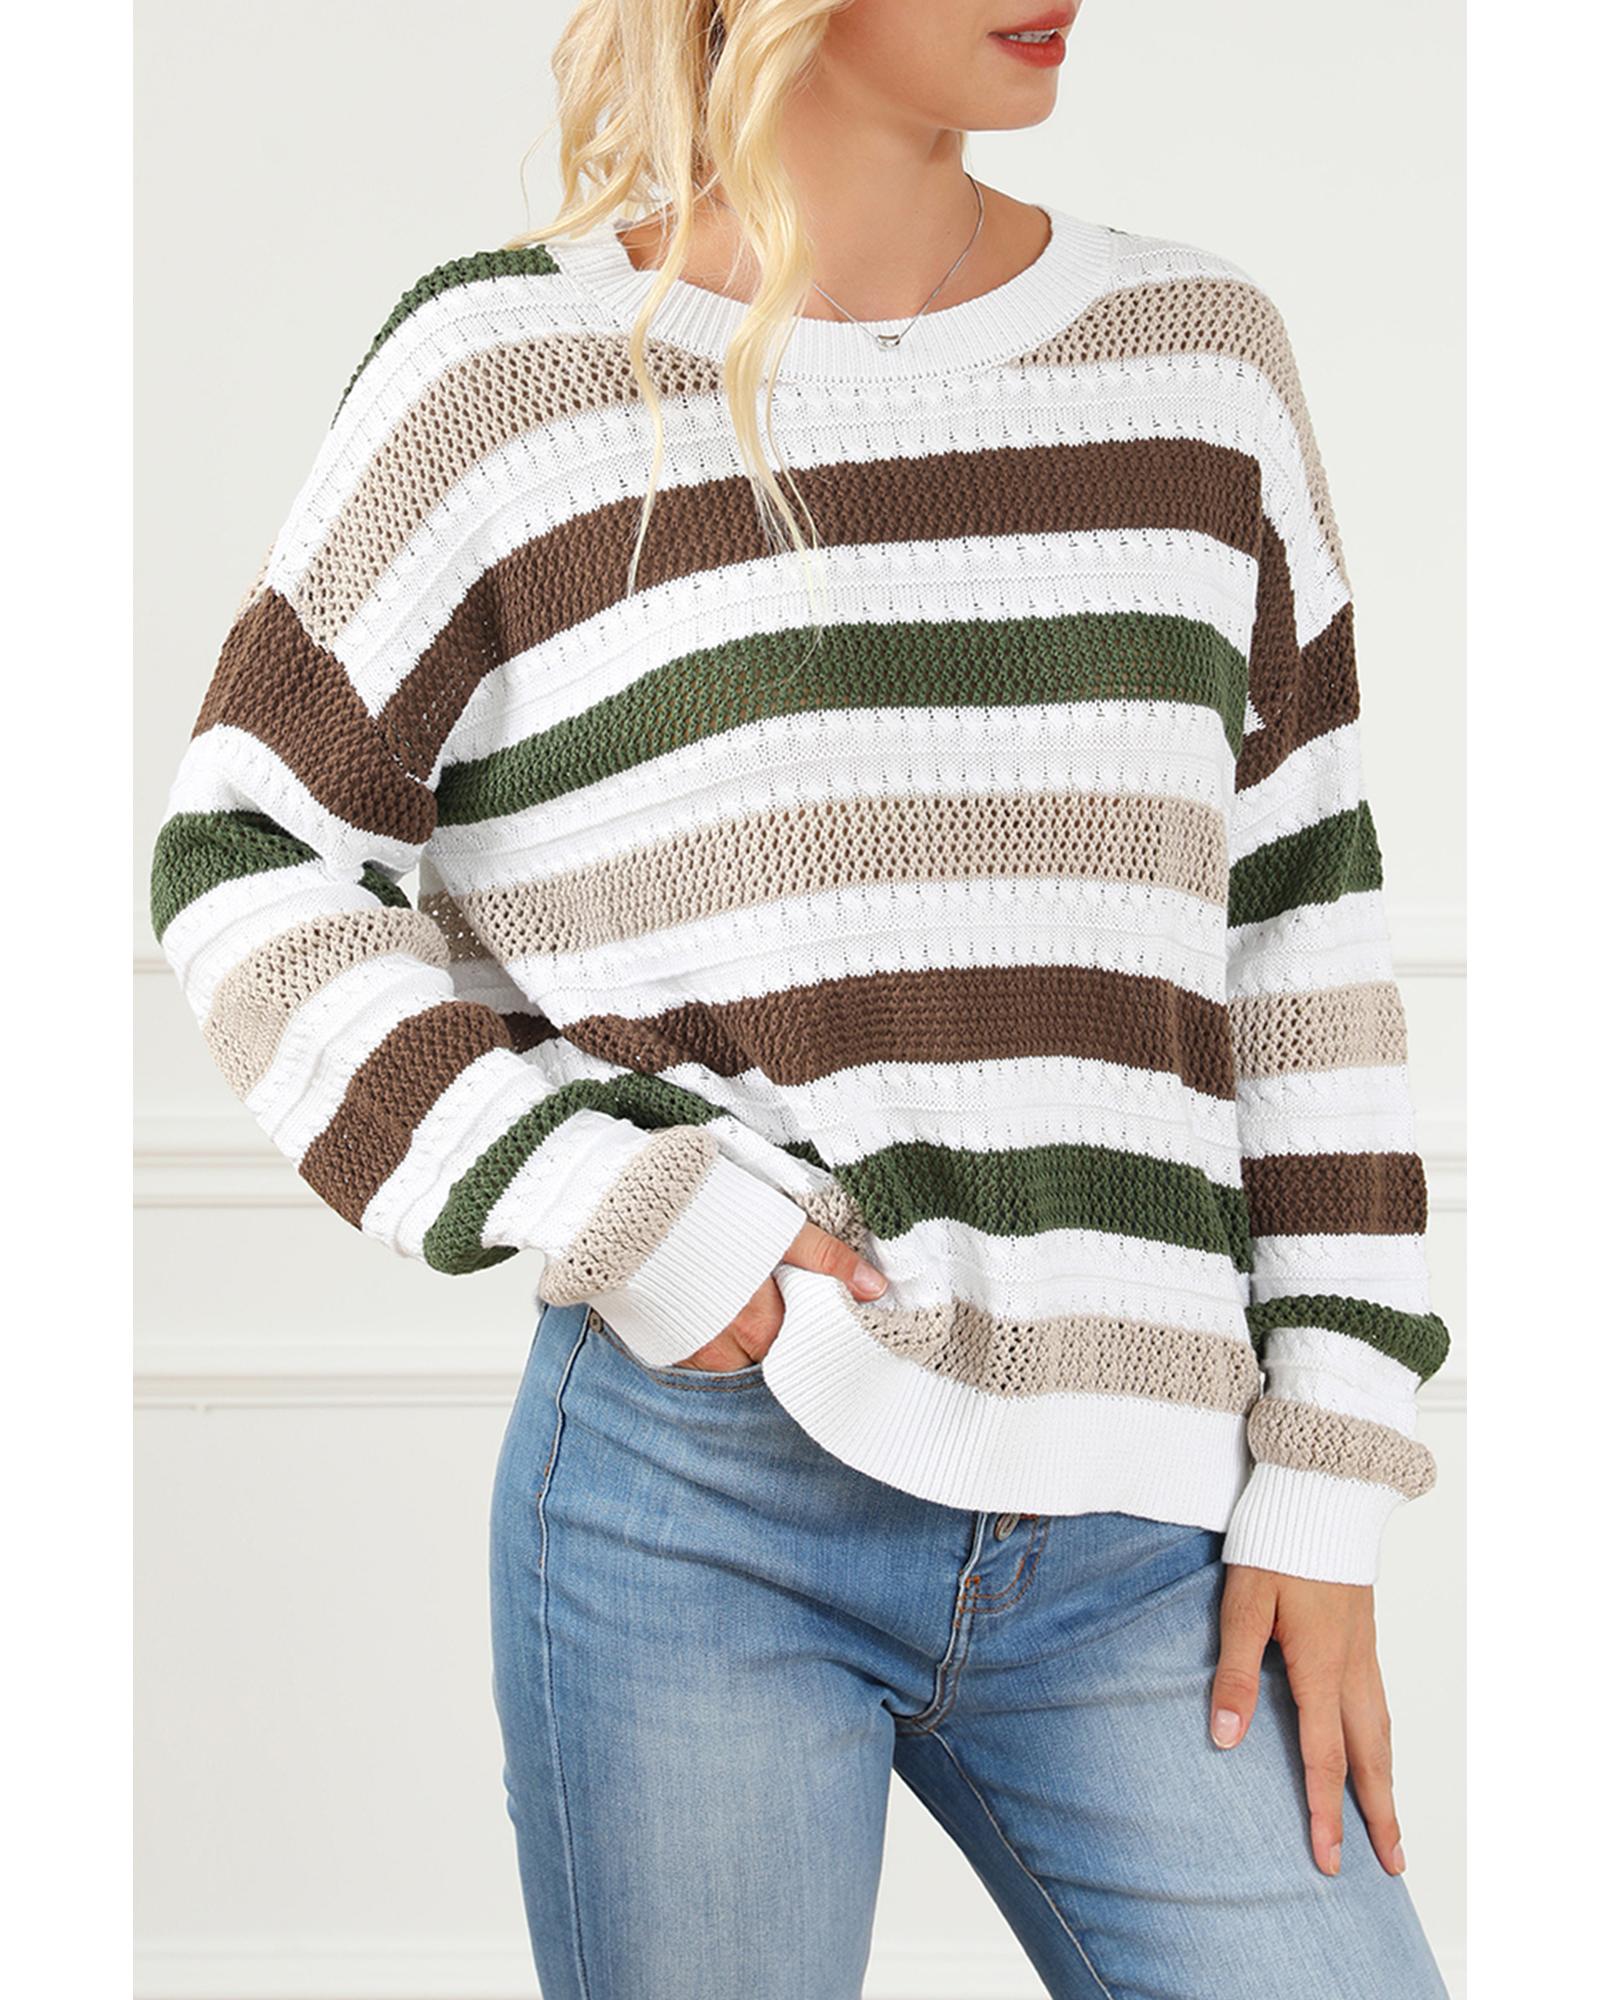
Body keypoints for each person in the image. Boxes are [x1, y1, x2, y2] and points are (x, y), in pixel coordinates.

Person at [147, 1, 1454, 1993]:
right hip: (702, 1500)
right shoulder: (508, 376)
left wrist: (1331, 1475)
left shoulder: (1200, 362)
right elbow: (244, 858)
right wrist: (634, 1213)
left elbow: (1297, 932)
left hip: (1145, 1528)